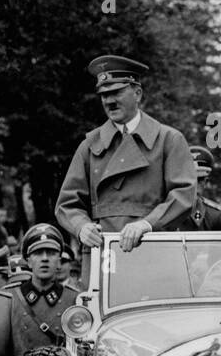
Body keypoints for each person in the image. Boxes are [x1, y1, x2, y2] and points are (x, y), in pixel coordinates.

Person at [55, 55, 197, 256]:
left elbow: (184, 195)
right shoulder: (89, 145)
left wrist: (147, 224)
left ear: (137, 93)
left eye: (116, 93)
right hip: (102, 253)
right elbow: (67, 204)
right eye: (104, 95)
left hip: (153, 249)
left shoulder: (168, 139)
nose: (109, 101)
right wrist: (82, 227)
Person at [9, 223, 77, 356]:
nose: (45, 258)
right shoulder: (10, 298)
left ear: (59, 261)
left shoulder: (74, 299)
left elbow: (82, 350)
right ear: (28, 262)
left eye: (51, 253)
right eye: (38, 253)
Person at [171, 146, 221, 230]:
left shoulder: (214, 215)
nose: (193, 185)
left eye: (199, 180)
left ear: (205, 182)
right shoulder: (164, 211)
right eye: (188, 180)